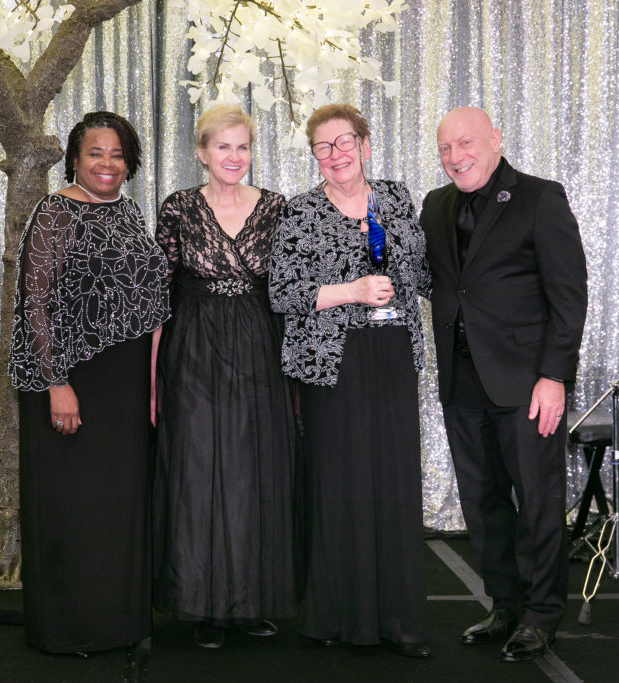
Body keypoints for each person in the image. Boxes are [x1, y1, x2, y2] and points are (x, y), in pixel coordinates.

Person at [419, 106, 588, 662]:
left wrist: (553, 376)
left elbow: (568, 298)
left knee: (538, 502)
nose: (455, 157)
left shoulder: (541, 198)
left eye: (465, 144)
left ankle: (542, 615)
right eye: (445, 148)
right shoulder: (435, 205)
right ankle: (505, 605)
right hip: (462, 381)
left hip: (526, 383)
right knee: (483, 502)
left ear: (495, 139)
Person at [269, 103, 432, 658]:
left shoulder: (398, 197)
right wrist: (352, 291)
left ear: (365, 143)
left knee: (394, 482)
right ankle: (338, 616)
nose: (336, 155)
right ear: (314, 156)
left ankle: (400, 619)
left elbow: (422, 274)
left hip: (392, 353)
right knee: (340, 485)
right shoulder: (301, 212)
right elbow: (283, 294)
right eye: (323, 146)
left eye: (344, 142)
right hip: (333, 362)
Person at [8, 111, 169, 654]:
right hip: (71, 380)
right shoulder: (54, 212)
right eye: (96, 153)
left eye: (118, 154)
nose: (107, 163)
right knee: (71, 505)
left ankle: (118, 624)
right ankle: (67, 629)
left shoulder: (129, 213)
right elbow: (37, 305)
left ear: (130, 163)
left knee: (117, 504)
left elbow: (148, 307)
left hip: (124, 387)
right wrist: (57, 382)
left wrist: (149, 386)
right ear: (75, 158)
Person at [153, 104, 297, 649]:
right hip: (193, 352)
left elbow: (291, 291)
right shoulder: (178, 209)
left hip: (260, 348)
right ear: (201, 152)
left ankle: (252, 600)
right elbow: (156, 299)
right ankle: (204, 604)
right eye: (223, 147)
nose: (234, 157)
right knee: (198, 473)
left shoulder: (279, 209)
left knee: (254, 473)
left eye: (243, 147)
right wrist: (151, 381)